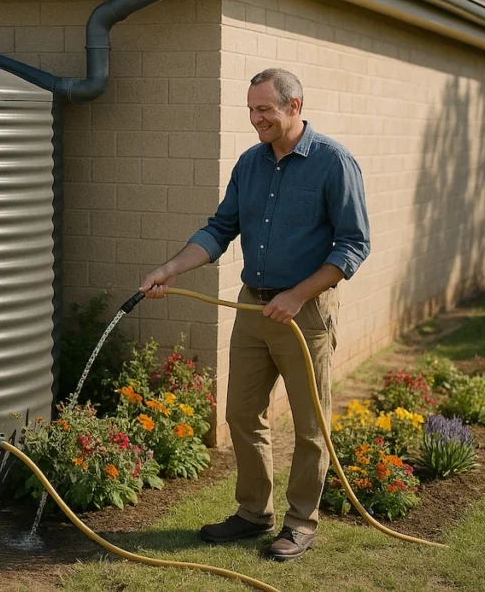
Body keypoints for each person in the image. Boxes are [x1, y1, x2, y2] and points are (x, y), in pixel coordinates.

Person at [139, 68, 370, 562]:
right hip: (252, 304)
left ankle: (301, 522)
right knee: (242, 413)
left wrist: (299, 295)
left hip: (303, 311)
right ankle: (253, 512)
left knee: (310, 424)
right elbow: (220, 229)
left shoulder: (334, 163)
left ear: (295, 106)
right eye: (250, 109)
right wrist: (170, 268)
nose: (255, 118)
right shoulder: (250, 164)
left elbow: (354, 245)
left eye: (264, 108)